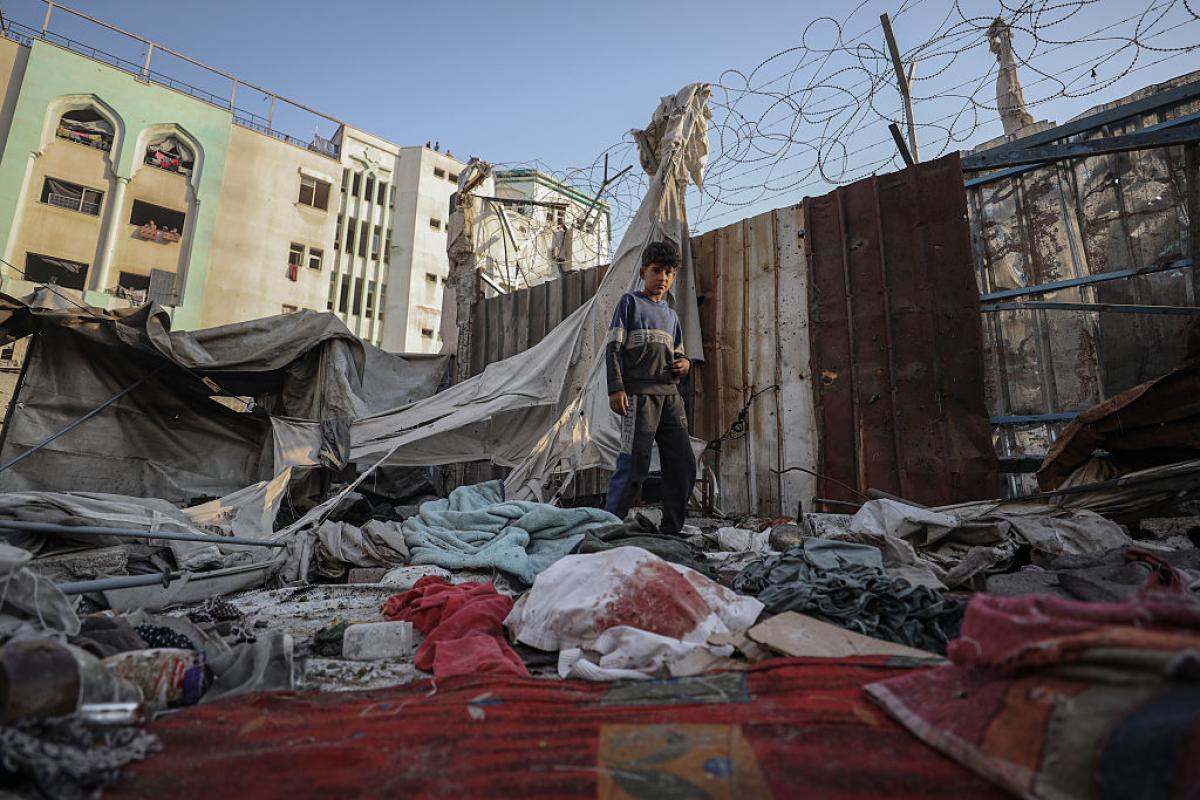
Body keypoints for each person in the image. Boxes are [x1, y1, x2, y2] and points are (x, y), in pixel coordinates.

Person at [604, 240, 696, 534]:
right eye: (657, 271)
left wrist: (685, 365)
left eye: (669, 273)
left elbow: (678, 354)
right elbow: (613, 349)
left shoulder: (672, 316)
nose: (663, 278)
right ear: (643, 271)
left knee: (682, 464)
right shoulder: (629, 303)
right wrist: (616, 388)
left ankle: (672, 531)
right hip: (638, 399)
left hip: (670, 399)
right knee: (633, 467)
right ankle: (607, 528)